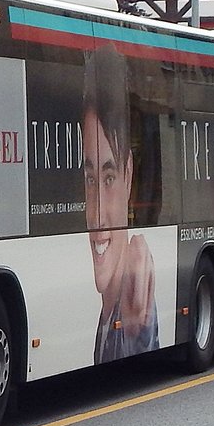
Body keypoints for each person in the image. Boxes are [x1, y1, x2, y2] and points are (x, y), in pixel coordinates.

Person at [82, 47, 159, 363]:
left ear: (129, 175)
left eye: (109, 177)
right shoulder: (105, 320)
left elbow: (141, 328)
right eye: (89, 180)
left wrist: (137, 332)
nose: (98, 214)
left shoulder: (134, 302)